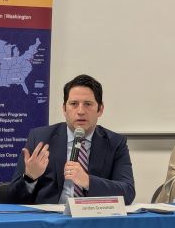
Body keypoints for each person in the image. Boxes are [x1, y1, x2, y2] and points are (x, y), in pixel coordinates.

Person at [9, 74, 135, 205]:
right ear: (64, 109)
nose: (80, 111)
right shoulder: (40, 138)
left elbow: (128, 193)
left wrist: (87, 181)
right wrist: (30, 177)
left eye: (88, 104)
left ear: (100, 109)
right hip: (50, 221)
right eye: (74, 104)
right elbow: (13, 198)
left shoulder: (115, 143)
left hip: (93, 219)